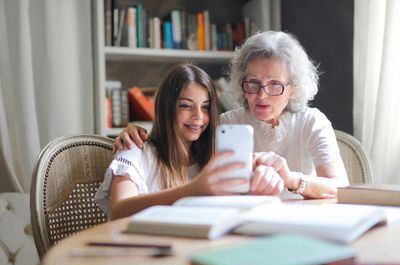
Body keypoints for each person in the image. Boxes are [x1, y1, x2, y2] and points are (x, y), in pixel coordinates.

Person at [113, 31, 349, 200]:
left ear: (293, 88)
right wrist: (134, 132)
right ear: (240, 82)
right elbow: (178, 146)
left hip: (302, 224)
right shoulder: (225, 124)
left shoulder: (312, 121)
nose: (261, 95)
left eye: (275, 85)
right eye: (253, 83)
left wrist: (291, 179)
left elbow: (341, 188)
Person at [95, 64, 284, 220]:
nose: (198, 117)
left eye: (206, 108)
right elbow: (119, 210)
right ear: (166, 108)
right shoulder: (135, 150)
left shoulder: (213, 159)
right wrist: (192, 190)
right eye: (186, 106)